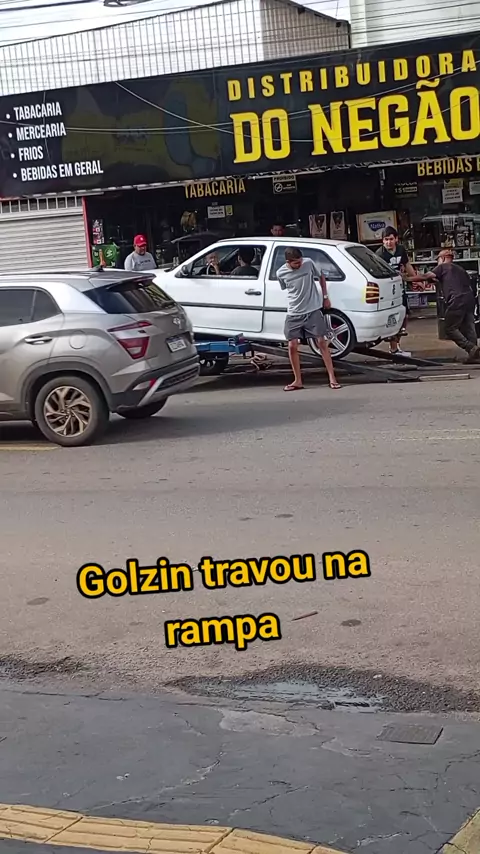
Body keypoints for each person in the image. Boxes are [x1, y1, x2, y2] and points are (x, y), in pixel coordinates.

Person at [277, 247, 341, 392]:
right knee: (292, 345)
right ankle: (297, 380)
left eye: (300, 261)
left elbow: (321, 277)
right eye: (296, 263)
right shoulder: (281, 273)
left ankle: (332, 378)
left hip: (313, 309)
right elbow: (285, 288)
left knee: (321, 342)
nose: (300, 264)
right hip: (294, 312)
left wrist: (325, 296)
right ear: (288, 262)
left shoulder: (308, 263)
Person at [376, 226, 433, 355]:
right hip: (387, 289)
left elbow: (407, 266)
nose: (388, 242)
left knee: (405, 315)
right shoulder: (379, 254)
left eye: (391, 239)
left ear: (396, 239)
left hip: (400, 287)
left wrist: (417, 280)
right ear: (382, 241)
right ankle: (393, 348)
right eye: (386, 239)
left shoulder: (401, 250)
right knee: (393, 317)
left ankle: (397, 344)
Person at [431, 249, 479, 362]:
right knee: (469, 326)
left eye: (438, 260)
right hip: (469, 299)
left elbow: (426, 276)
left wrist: (408, 278)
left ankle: (470, 347)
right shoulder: (460, 269)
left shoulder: (442, 267)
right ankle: (475, 355)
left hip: (457, 301)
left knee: (449, 328)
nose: (437, 262)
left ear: (443, 258)